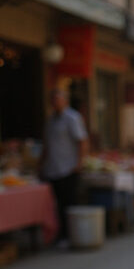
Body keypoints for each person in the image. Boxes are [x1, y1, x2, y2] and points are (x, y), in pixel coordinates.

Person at [39, 88, 89, 244]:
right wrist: (40, 164)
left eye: (57, 99)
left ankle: (71, 235)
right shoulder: (50, 121)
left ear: (65, 101)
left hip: (68, 167)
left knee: (69, 203)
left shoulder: (72, 118)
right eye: (52, 99)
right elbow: (47, 145)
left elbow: (82, 141)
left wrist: (79, 163)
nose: (54, 102)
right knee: (56, 204)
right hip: (52, 168)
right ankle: (59, 234)